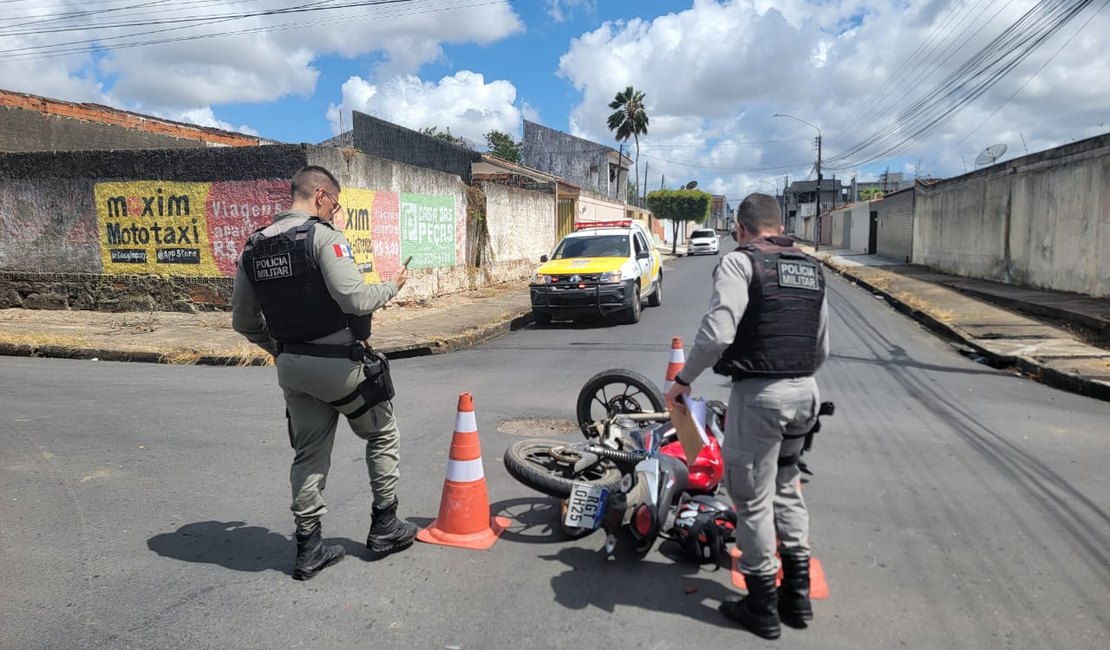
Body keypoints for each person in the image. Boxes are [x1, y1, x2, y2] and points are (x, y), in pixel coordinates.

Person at [231, 165, 417, 581]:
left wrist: (279, 350)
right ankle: (385, 525)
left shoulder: (252, 248)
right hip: (338, 367)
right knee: (382, 432)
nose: (335, 211)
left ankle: (309, 548)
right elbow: (355, 299)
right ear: (320, 196)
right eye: (335, 203)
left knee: (309, 453)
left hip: (291, 368)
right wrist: (393, 285)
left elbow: (243, 321)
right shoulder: (323, 238)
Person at [664, 193, 829, 639]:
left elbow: (718, 332)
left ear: (739, 229)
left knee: (752, 500)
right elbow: (821, 345)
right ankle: (796, 595)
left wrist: (683, 379)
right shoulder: (812, 267)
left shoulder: (741, 262)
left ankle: (761, 606)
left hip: (761, 396)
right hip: (806, 393)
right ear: (781, 224)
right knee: (788, 485)